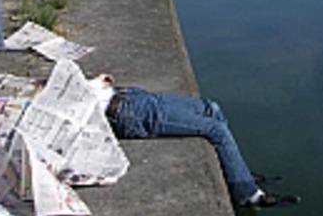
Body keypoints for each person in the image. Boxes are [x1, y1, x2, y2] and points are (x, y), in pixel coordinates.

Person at [89, 74, 301, 208]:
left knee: (211, 107)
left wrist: (99, 82)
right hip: (129, 114)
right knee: (216, 129)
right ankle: (249, 194)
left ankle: (237, 173)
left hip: (131, 95)